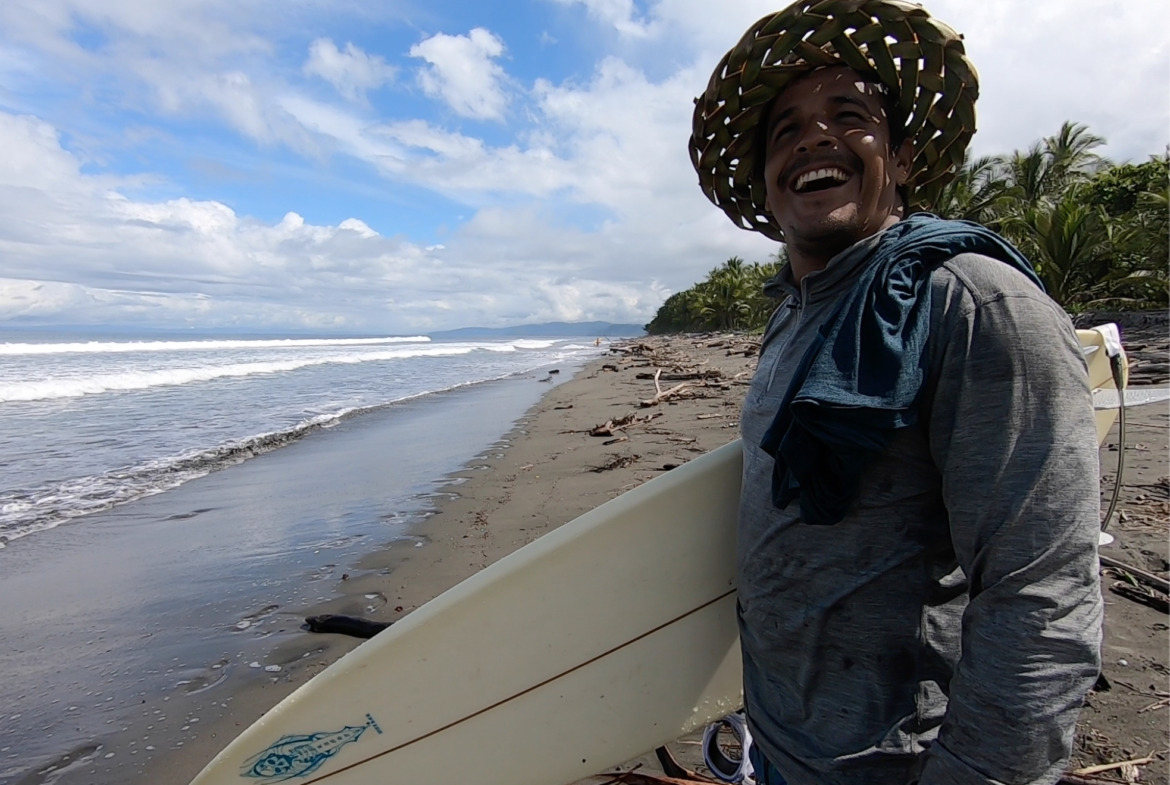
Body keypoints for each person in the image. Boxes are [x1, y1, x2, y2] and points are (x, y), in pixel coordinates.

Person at [688, 3, 1104, 784]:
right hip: (780, 748)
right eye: (787, 131)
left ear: (904, 160)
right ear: (768, 184)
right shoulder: (793, 319)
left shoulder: (973, 305)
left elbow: (1043, 591)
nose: (814, 136)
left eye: (849, 116)